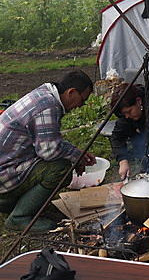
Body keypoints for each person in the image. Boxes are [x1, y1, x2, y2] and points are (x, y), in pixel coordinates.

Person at [0, 71, 96, 231]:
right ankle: (19, 217)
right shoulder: (48, 107)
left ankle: (10, 203)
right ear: (71, 92)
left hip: (8, 163)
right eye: (83, 100)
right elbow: (49, 151)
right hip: (4, 173)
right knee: (61, 169)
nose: (81, 105)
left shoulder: (43, 94)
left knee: (60, 161)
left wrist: (76, 153)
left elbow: (48, 140)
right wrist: (76, 157)